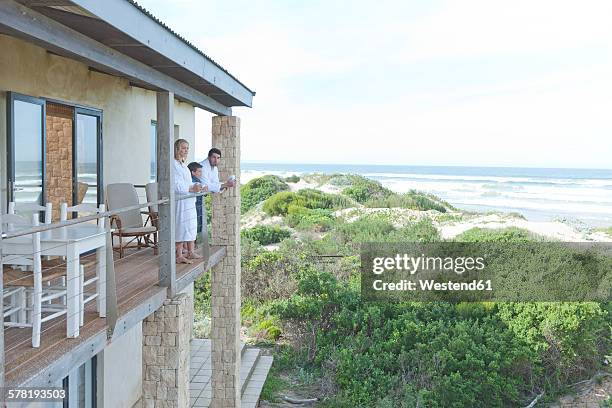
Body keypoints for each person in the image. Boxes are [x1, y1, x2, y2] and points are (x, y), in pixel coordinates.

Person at [173, 139, 202, 264]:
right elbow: (176, 185)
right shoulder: (172, 165)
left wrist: (198, 186)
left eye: (187, 148)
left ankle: (190, 252)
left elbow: (188, 183)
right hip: (180, 200)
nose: (186, 150)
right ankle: (179, 255)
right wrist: (191, 188)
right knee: (181, 225)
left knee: (190, 225)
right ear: (177, 149)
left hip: (189, 199)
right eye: (183, 148)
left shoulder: (184, 165)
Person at [187, 161, 206, 234]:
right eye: (199, 171)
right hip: (195, 206)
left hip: (197, 206)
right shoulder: (193, 181)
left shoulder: (197, 181)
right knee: (195, 227)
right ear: (193, 172)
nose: (201, 173)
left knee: (196, 226)